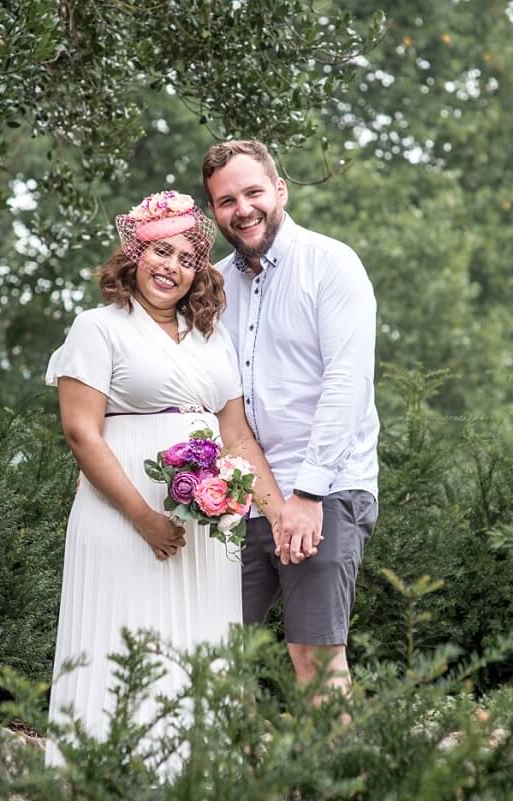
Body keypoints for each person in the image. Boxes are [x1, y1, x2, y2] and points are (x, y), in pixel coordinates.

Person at [43, 189, 284, 769]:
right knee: (120, 640)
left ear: (197, 272)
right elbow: (82, 433)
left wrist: (273, 513)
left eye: (185, 258)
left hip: (206, 530)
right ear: (134, 255)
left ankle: (192, 774)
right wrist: (145, 517)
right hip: (123, 520)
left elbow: (238, 436)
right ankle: (103, 769)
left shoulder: (211, 337)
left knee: (195, 646)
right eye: (160, 252)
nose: (170, 267)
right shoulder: (98, 329)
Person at [202, 140, 380, 696]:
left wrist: (307, 494)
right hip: (244, 496)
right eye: (226, 200)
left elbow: (347, 385)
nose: (243, 209)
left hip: (325, 488)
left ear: (279, 190)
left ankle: (340, 782)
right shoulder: (212, 285)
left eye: (253, 192)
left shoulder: (331, 264)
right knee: (209, 652)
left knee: (314, 659)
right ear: (214, 211)